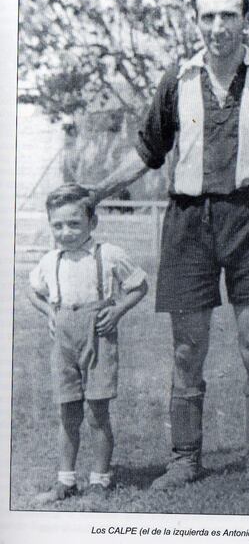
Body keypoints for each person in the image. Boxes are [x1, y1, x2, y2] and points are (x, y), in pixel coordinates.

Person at [93, 0, 249, 496]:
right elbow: (148, 152)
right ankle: (184, 461)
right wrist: (97, 192)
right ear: (196, 22)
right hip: (187, 224)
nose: (218, 28)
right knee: (185, 351)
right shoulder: (176, 79)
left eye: (228, 16)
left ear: (245, 19)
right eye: (208, 18)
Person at [28, 183, 147, 503]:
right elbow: (33, 291)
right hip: (64, 341)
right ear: (50, 224)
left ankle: (99, 481)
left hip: (98, 336)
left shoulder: (108, 255)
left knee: (97, 413)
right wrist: (49, 314)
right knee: (67, 412)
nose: (66, 232)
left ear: (92, 222)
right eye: (58, 225)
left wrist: (118, 311)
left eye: (74, 223)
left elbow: (139, 285)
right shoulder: (50, 260)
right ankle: (65, 481)